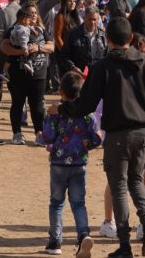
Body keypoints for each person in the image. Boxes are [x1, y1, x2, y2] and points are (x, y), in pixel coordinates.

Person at [59, 17, 145, 258]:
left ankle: (125, 245)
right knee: (136, 180)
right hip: (143, 133)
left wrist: (63, 109)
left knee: (119, 185)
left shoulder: (102, 66)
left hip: (117, 133)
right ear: (131, 38)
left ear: (108, 40)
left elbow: (87, 103)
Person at [41, 71, 102, 257]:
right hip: (79, 164)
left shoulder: (54, 112)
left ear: (61, 91)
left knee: (56, 203)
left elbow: (48, 136)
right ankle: (83, 235)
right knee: (78, 203)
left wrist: (42, 135)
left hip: (59, 163)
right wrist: (86, 146)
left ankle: (55, 241)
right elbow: (96, 138)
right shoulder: (88, 115)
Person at [2, 2, 54, 146]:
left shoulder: (41, 30)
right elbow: (4, 46)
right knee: (18, 103)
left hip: (39, 73)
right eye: (30, 13)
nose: (33, 16)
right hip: (18, 73)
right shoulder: (15, 28)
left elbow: (52, 46)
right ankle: (17, 133)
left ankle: (39, 133)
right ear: (23, 15)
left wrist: (38, 47)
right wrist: (21, 51)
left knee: (37, 104)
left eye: (35, 13)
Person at [59, 6, 108, 75]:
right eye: (89, 19)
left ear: (98, 20)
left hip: (98, 75)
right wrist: (73, 67)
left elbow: (107, 56)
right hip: (79, 76)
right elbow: (63, 55)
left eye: (94, 19)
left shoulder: (103, 35)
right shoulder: (73, 34)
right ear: (84, 18)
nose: (92, 22)